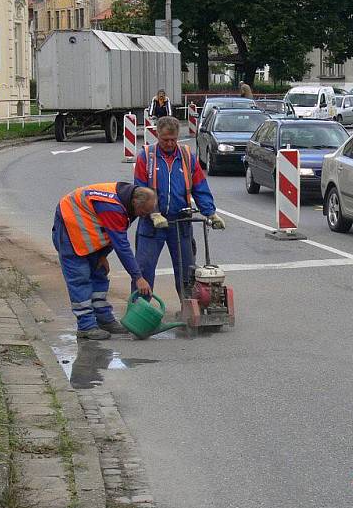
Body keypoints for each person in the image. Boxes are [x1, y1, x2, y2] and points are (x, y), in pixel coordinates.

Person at [133, 115, 226, 298]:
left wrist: (211, 213)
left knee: (186, 271)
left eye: (173, 140)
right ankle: (140, 310)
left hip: (181, 221)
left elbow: (200, 187)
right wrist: (153, 213)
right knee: (144, 268)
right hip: (152, 225)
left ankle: (189, 308)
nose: (169, 144)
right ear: (157, 135)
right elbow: (139, 190)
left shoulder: (187, 157)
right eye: (165, 140)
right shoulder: (146, 157)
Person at [52, 182, 156, 340]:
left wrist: (103, 256)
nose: (145, 215)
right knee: (80, 277)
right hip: (70, 228)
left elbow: (114, 231)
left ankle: (104, 319)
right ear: (136, 203)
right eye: (144, 211)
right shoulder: (112, 206)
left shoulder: (129, 204)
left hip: (88, 230)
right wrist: (138, 277)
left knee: (99, 273)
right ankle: (86, 326)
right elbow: (121, 244)